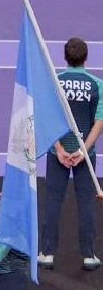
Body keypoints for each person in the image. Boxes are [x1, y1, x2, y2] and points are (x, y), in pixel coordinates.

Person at [41, 37, 103, 270]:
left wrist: (59, 148)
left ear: (65, 57)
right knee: (86, 203)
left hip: (57, 152)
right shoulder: (97, 84)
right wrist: (83, 151)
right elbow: (99, 121)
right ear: (86, 57)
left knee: (53, 202)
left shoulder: (54, 82)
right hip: (85, 154)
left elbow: (47, 117)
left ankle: (47, 254)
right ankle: (88, 256)